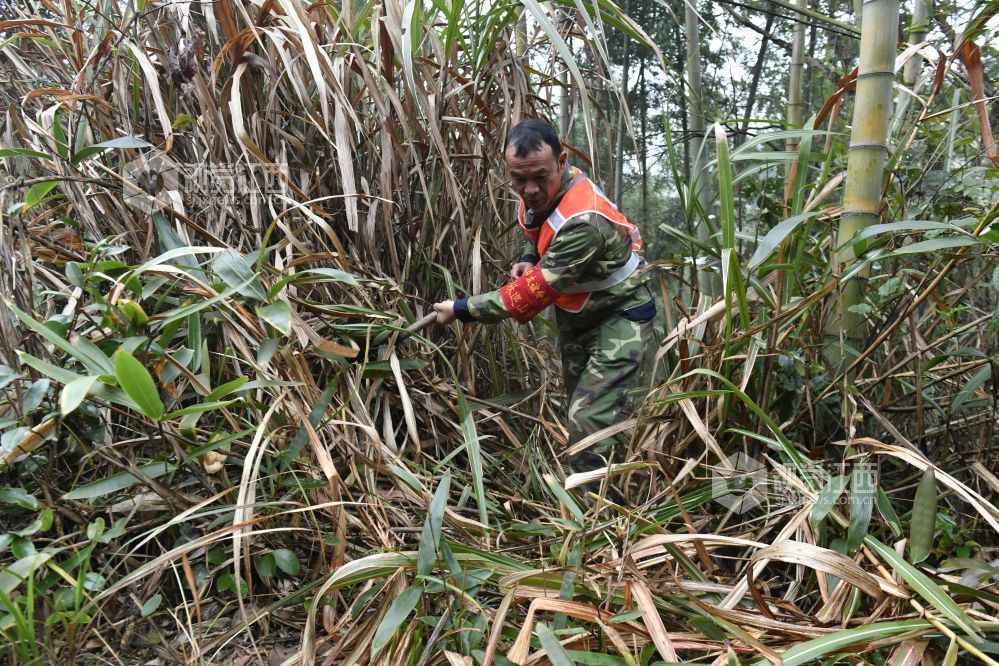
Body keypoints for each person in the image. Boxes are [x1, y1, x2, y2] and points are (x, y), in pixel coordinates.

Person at [433, 118, 657, 477]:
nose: (531, 189)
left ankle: (589, 516)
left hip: (620, 316)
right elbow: (537, 231)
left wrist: (460, 309)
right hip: (578, 315)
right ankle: (607, 483)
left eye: (540, 176)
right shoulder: (542, 194)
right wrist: (528, 258)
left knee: (589, 419)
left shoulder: (585, 221)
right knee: (581, 408)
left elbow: (525, 297)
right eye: (518, 178)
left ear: (562, 160)